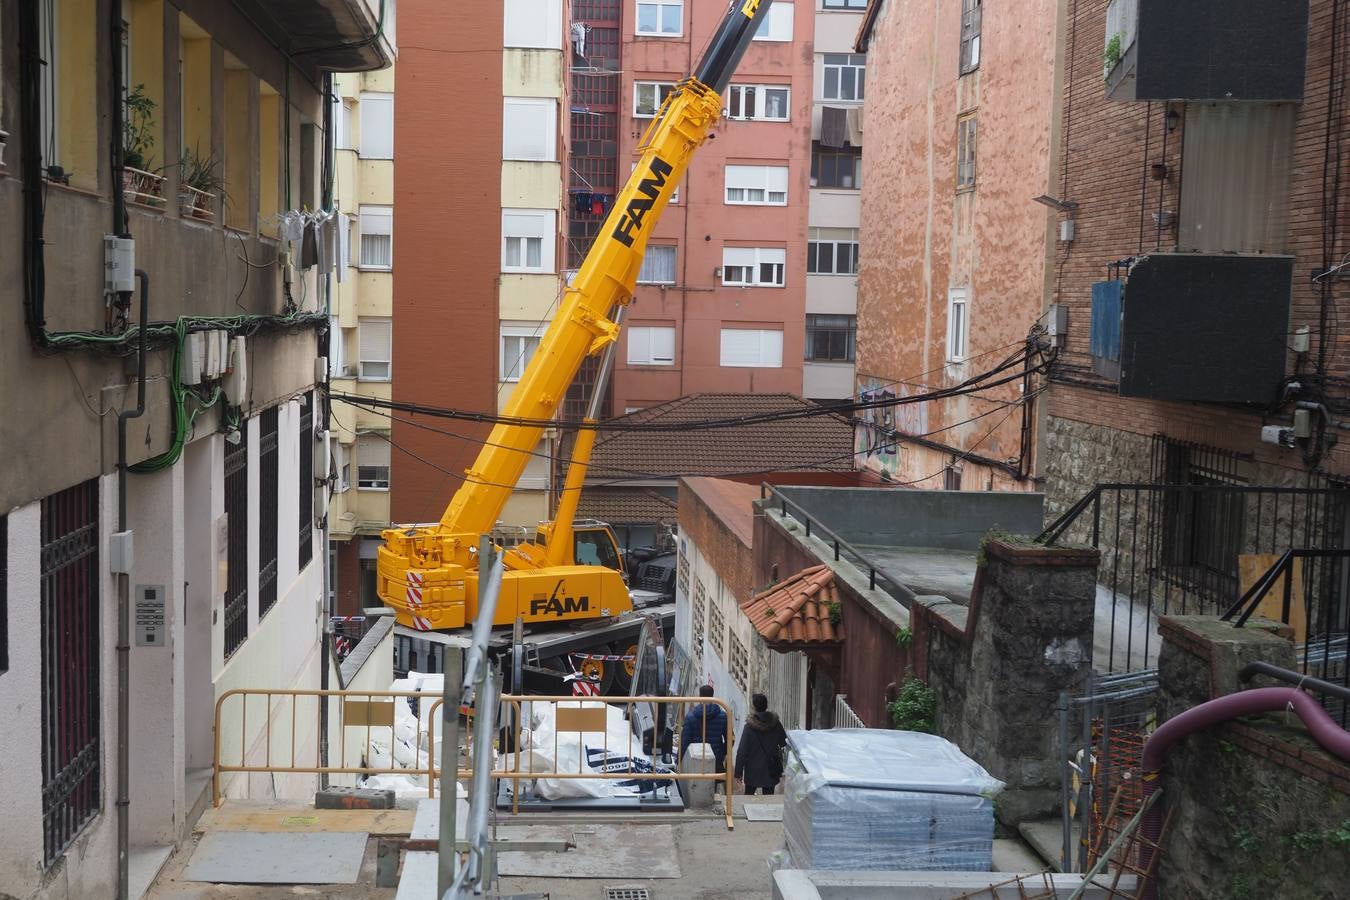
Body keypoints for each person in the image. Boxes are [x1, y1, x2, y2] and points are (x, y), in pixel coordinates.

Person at [734, 693, 788, 795]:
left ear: (754, 707)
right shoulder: (775, 724)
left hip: (752, 770)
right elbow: (783, 742)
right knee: (768, 798)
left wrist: (738, 773)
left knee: (748, 797)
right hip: (770, 768)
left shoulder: (749, 727)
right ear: (766, 706)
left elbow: (742, 751)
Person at [680, 684, 728, 773]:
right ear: (712, 696)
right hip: (715, 758)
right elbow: (731, 739)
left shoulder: (690, 716)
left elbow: (685, 741)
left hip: (695, 759)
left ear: (700, 696)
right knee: (713, 784)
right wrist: (721, 753)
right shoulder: (723, 716)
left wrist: (679, 760)